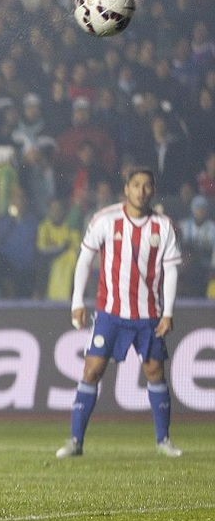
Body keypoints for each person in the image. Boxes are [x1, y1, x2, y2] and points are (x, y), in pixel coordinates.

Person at [57, 167, 183, 458]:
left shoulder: (162, 226)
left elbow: (171, 269)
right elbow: (85, 258)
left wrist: (168, 312)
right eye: (136, 185)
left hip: (148, 314)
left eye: (147, 185)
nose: (141, 190)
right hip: (110, 312)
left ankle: (163, 441)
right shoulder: (106, 219)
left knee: (154, 371)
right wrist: (77, 301)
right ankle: (75, 441)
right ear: (126, 188)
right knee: (92, 370)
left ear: (153, 190)